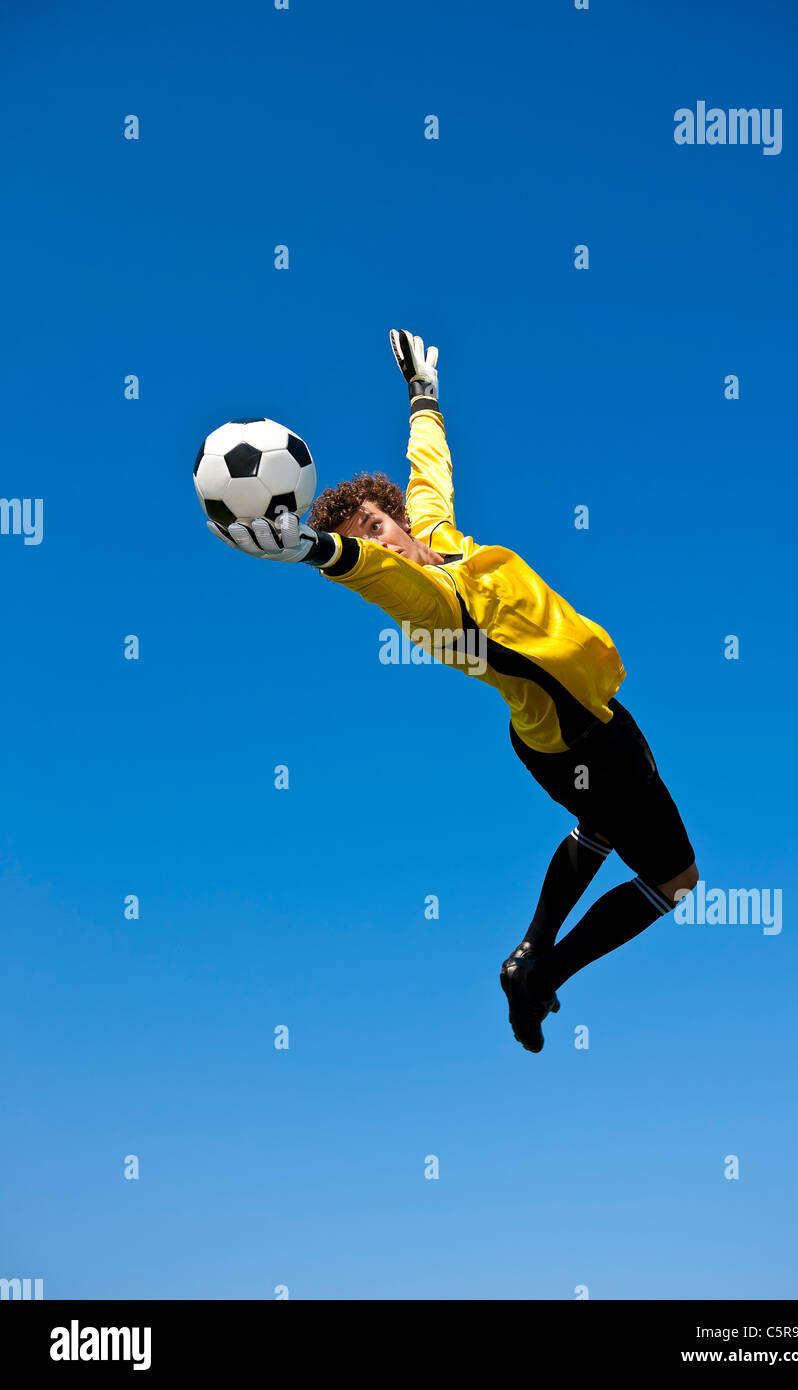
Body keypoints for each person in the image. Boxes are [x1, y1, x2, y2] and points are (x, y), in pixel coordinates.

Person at [206, 331, 698, 1052]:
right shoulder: (432, 607)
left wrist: (423, 396)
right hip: (577, 739)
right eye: (365, 540)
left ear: (397, 519)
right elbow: (378, 577)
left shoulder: (439, 533)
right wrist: (319, 551)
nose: (379, 543)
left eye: (378, 527)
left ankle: (531, 958)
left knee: (602, 828)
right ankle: (541, 970)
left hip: (579, 725)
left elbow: (428, 471)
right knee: (677, 879)